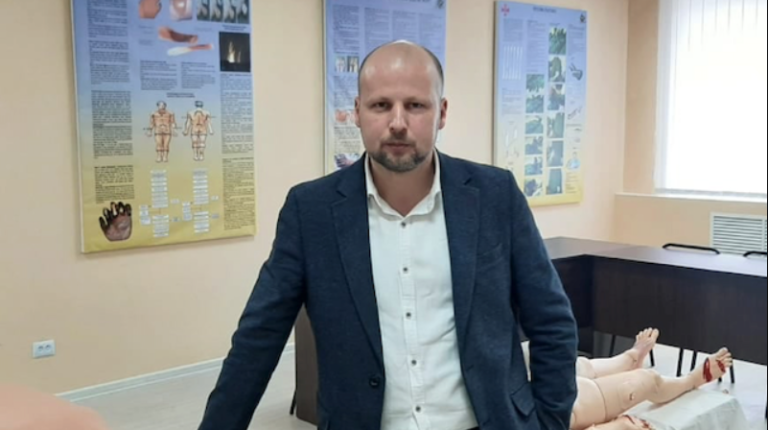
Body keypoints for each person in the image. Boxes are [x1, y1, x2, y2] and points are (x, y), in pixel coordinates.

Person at [198, 40, 578, 430]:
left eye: (415, 105)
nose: (398, 122)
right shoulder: (310, 211)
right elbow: (257, 341)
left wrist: (549, 423)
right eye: (381, 105)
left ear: (442, 112)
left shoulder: (496, 195)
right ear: (357, 112)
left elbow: (552, 322)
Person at [522, 329, 734, 430]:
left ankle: (627, 359)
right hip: (554, 413)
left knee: (572, 367)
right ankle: (692, 380)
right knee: (647, 379)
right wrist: (616, 427)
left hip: (531, 392)